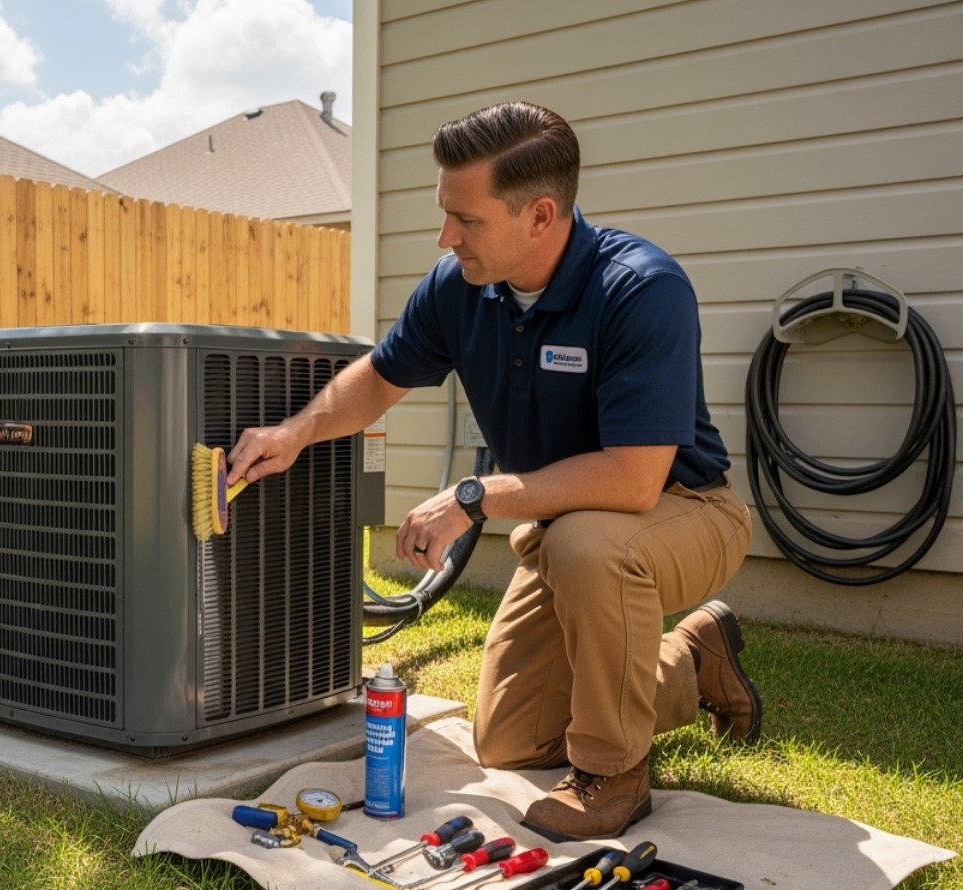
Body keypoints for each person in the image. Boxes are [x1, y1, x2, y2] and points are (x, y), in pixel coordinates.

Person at [225, 101, 761, 843]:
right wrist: (297, 431)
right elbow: (379, 377)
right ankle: (695, 662)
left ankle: (611, 775)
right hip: (567, 529)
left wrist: (473, 497)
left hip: (685, 511)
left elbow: (634, 480)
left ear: (540, 215)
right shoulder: (458, 287)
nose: (446, 238)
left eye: (466, 220)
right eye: (445, 213)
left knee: (584, 546)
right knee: (511, 740)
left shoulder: (641, 289)